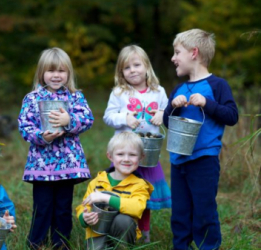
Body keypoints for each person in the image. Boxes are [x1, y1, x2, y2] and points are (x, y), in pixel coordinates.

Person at [163, 28, 239, 250]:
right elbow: (168, 122)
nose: (173, 58)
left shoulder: (217, 86)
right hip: (178, 160)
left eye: (177, 52)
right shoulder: (179, 88)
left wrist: (208, 103)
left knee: (204, 210)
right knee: (180, 211)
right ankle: (181, 247)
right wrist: (173, 107)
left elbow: (232, 116)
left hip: (204, 160)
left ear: (193, 53)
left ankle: (208, 246)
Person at [18, 47, 94, 249]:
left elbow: (87, 119)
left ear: (68, 73)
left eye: (61, 71)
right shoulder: (33, 98)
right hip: (42, 164)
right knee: (42, 206)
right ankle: (36, 243)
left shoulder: (75, 97)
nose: (56, 75)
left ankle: (61, 243)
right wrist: (41, 136)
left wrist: (69, 121)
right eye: (51, 71)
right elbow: (25, 126)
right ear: (42, 73)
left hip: (68, 162)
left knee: (62, 206)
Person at [103, 45, 172, 243]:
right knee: (123, 194)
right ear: (121, 72)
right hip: (125, 154)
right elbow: (108, 116)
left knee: (145, 198)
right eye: (127, 67)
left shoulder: (158, 91)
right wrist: (125, 118)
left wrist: (161, 113)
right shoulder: (119, 92)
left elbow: (169, 112)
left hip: (148, 156)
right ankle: (120, 232)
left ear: (146, 67)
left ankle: (144, 235)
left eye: (137, 65)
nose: (132, 70)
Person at [76, 132, 154, 249]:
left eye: (132, 155)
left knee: (123, 220)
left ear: (141, 157)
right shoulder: (98, 182)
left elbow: (137, 207)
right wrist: (84, 217)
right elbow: (83, 206)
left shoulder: (140, 185)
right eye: (120, 154)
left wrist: (105, 198)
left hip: (123, 233)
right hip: (97, 232)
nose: (126, 159)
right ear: (110, 156)